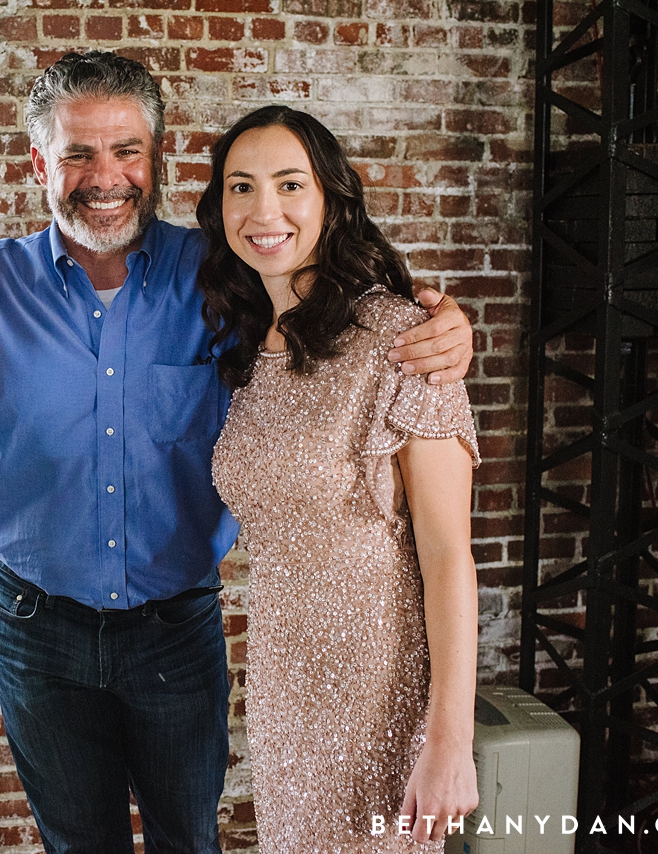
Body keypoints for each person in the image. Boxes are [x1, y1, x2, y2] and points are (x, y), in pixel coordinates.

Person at [0, 52, 475, 853]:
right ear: (40, 162)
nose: (103, 176)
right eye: (77, 152)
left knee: (191, 841)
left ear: (157, 161)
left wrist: (443, 324)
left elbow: (330, 300)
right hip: (35, 628)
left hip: (177, 631)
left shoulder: (226, 277)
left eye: (126, 152)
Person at [203, 105, 480, 852]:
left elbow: (450, 554)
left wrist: (450, 741)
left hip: (375, 681)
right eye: (241, 187)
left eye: (290, 184)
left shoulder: (403, 337)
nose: (264, 210)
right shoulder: (247, 344)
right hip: (283, 677)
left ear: (332, 198)